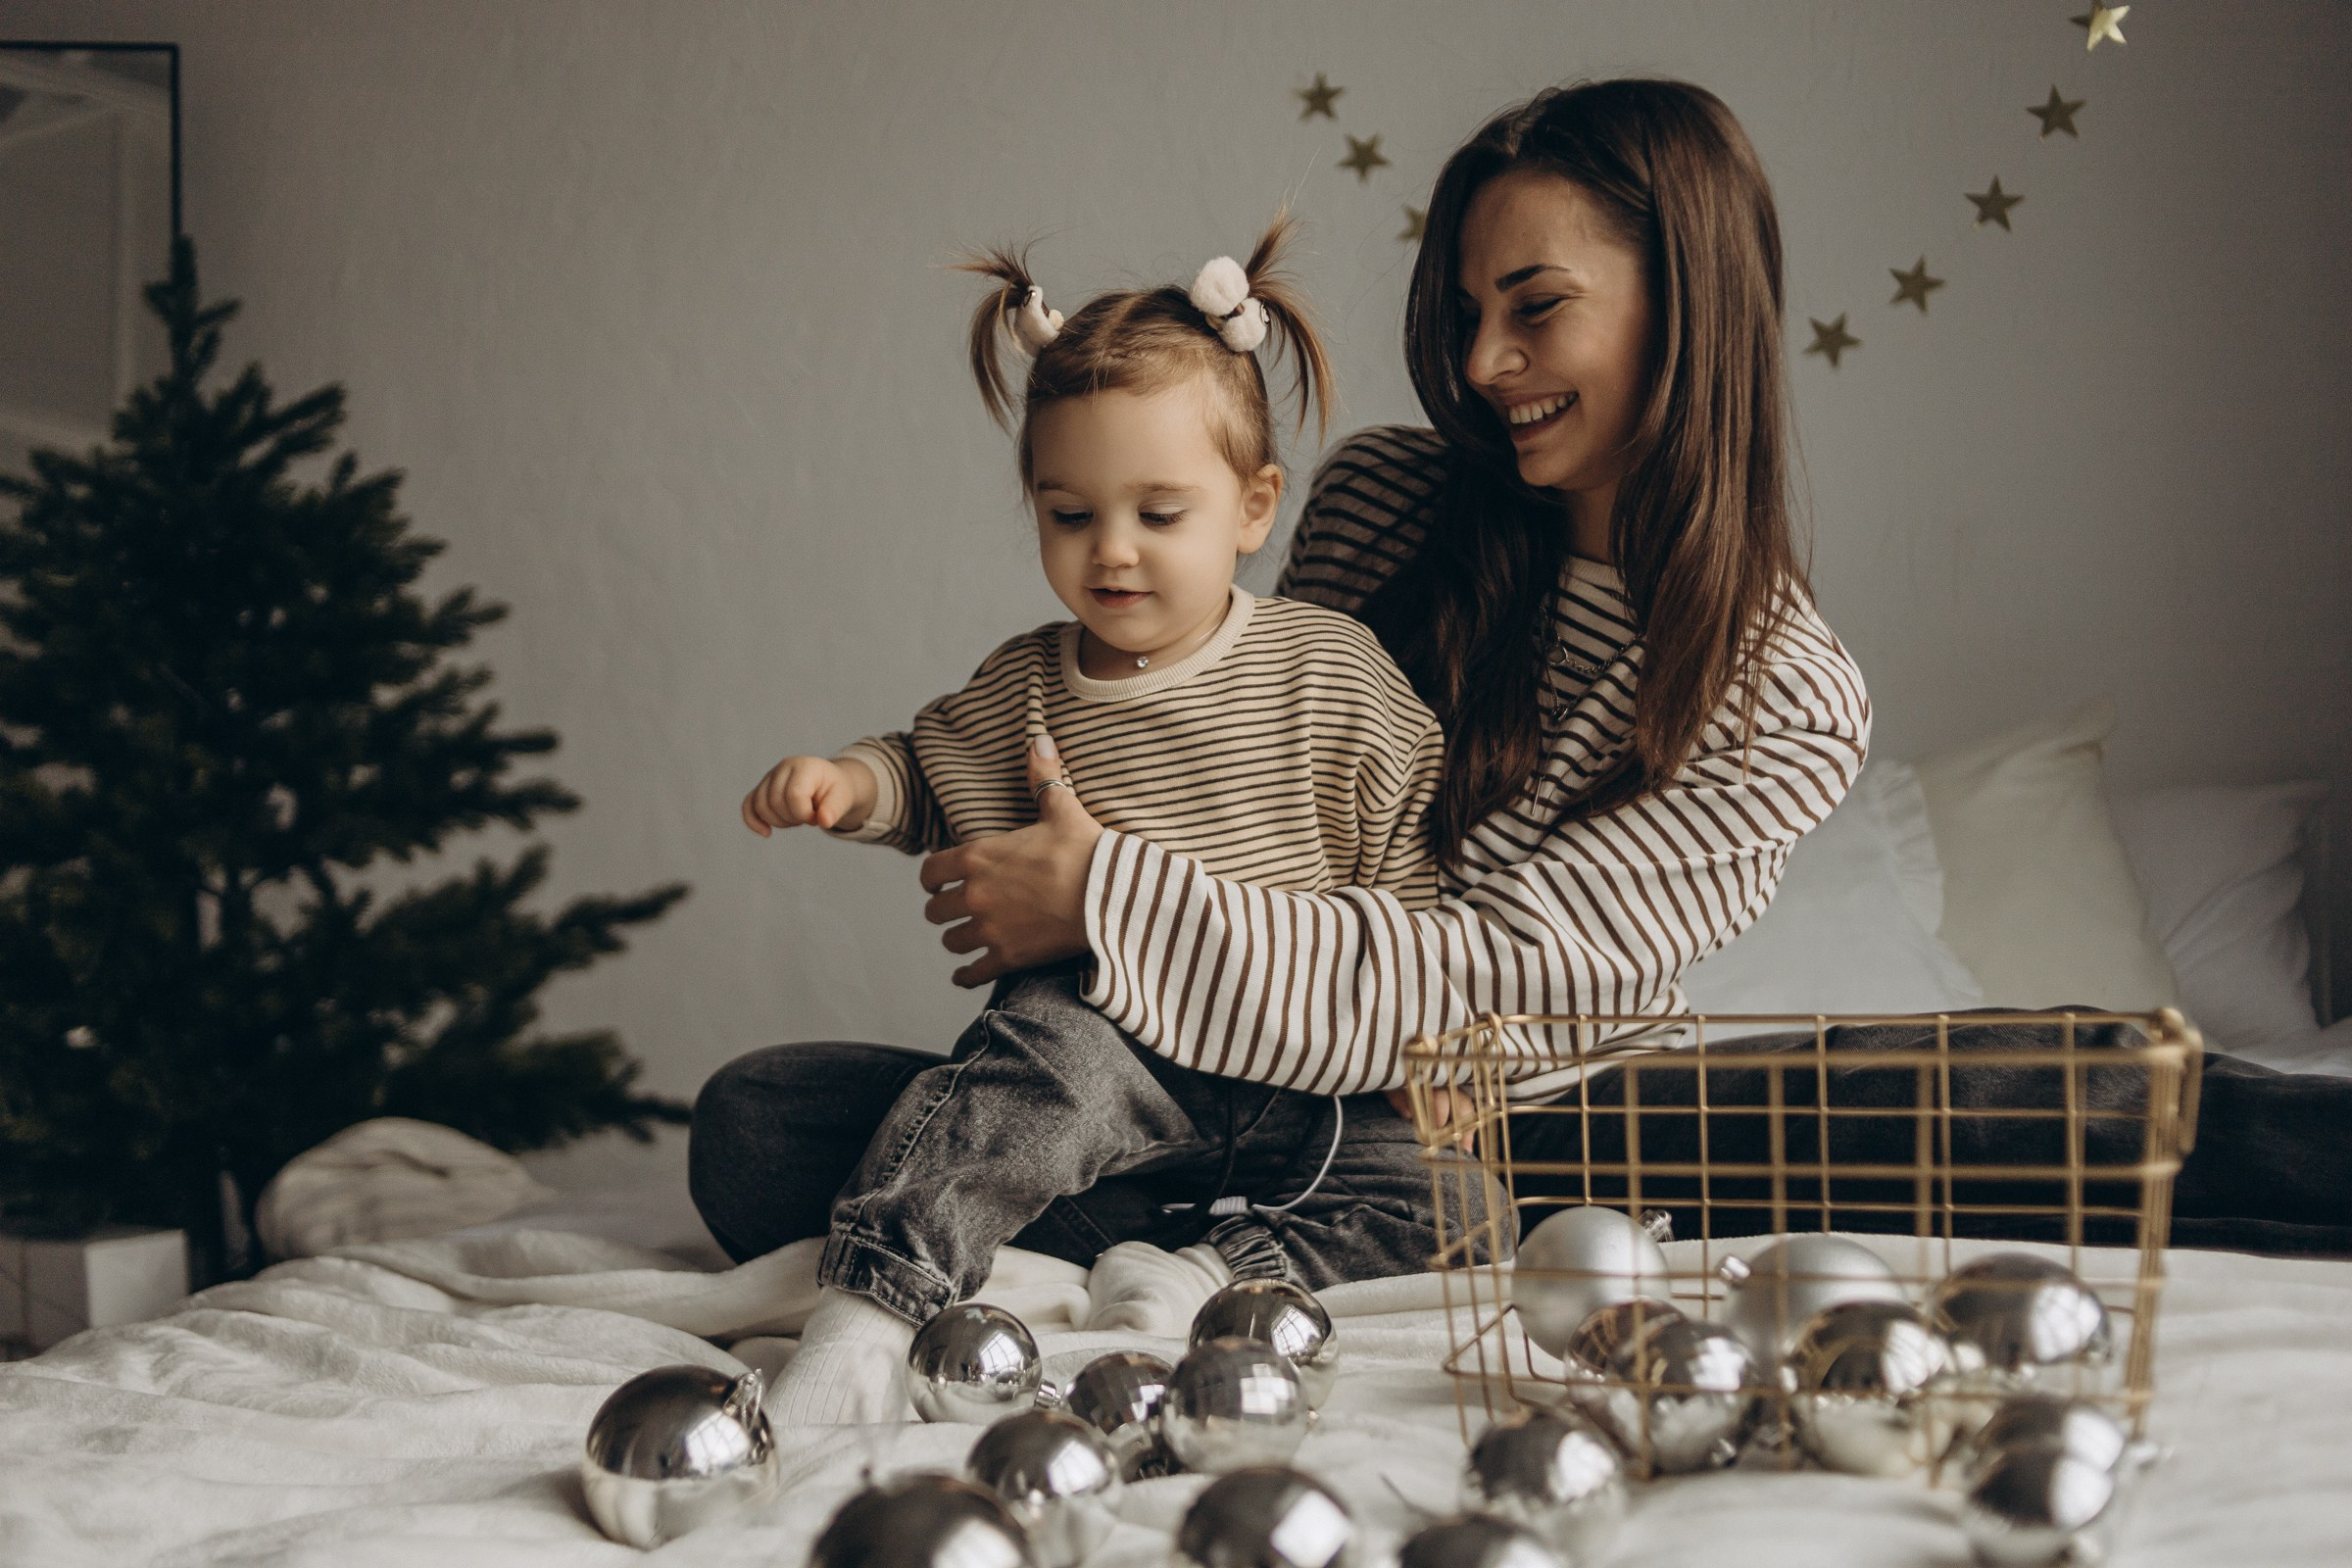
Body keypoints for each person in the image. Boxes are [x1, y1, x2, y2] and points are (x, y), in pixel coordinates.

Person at [880, 77, 2352, 1258]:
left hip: (1548, 1108)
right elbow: (1259, 807)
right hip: (1228, 1072)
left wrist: (1105, 895)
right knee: (790, 1114)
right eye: (1469, 314)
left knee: (2043, 1083)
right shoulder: (1386, 501)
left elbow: (1483, 997)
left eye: (1537, 307)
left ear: (1685, 302)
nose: (1481, 364)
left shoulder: (1783, 692)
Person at [713, 218, 1505, 1425]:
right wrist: (848, 785)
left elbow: (1408, 873)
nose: (1113, 553)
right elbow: (927, 766)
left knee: (1464, 1206)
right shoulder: (1029, 681)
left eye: (1160, 514)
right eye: (1071, 515)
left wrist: (1441, 1047)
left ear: (1253, 507)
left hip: (1304, 1084)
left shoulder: (1330, 670)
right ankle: (877, 1306)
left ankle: (1200, 1270)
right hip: (1102, 1060)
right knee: (767, 1121)